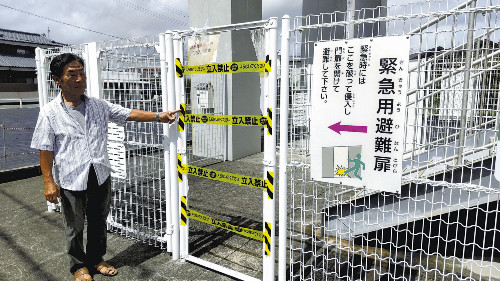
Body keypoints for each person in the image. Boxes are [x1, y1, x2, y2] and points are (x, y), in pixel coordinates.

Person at [31, 53, 180, 281]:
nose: (80, 78)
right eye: (72, 74)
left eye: (82, 73)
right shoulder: (50, 112)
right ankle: (78, 266)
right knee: (75, 226)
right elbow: (45, 149)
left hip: (99, 174)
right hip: (71, 178)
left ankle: (97, 259)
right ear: (57, 80)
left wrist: (159, 116)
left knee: (99, 221)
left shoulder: (99, 106)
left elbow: (127, 114)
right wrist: (49, 182)